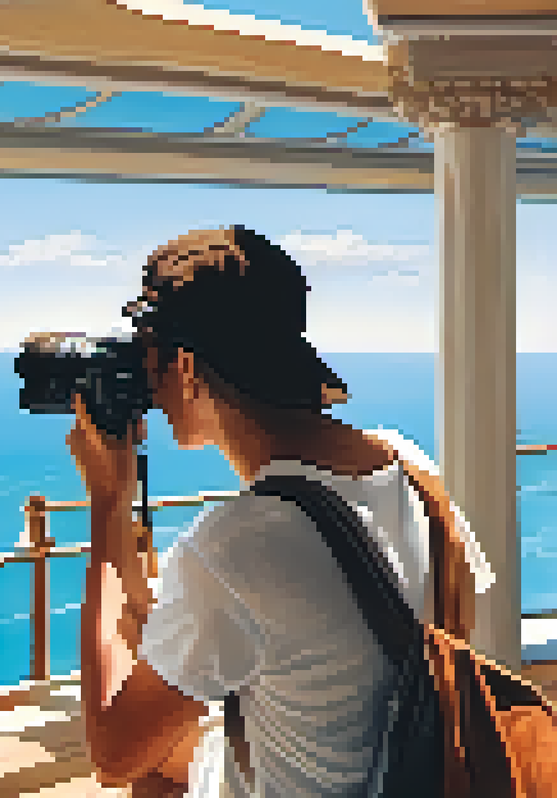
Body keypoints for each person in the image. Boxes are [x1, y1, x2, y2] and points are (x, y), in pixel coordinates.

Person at [66, 226, 496, 797]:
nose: (150, 387)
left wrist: (107, 502)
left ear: (187, 368)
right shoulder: (409, 465)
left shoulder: (239, 541)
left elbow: (113, 754)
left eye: (151, 360)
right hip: (416, 775)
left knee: (148, 773)